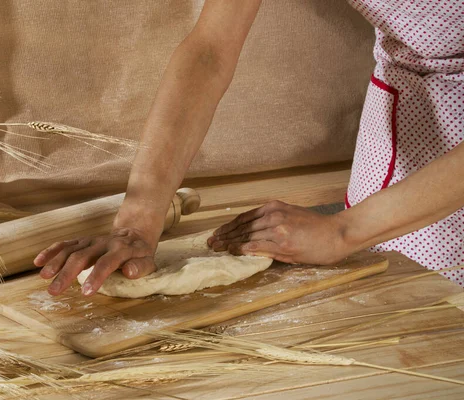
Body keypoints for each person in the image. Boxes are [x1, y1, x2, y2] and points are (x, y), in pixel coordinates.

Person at [34, 0, 464, 296]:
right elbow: (209, 51)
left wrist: (343, 230)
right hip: (412, 94)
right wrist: (138, 221)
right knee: (391, 287)